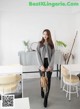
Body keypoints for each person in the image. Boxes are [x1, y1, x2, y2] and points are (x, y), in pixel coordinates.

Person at [36, 29, 55, 107]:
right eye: (44, 34)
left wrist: (50, 66)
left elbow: (53, 55)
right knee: (42, 78)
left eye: (46, 34)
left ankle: (46, 98)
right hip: (42, 63)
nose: (45, 35)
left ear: (49, 35)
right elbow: (37, 54)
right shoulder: (39, 44)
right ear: (42, 35)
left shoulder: (51, 44)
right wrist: (41, 65)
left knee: (48, 81)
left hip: (49, 63)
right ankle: (41, 90)